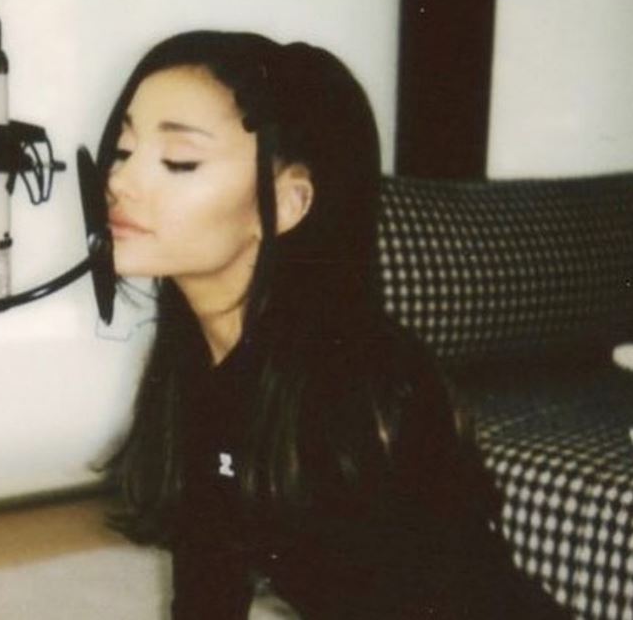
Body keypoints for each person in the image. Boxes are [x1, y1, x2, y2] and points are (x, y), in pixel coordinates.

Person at [96, 30, 568, 619]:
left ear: (289, 203)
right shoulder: (195, 360)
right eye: (124, 150)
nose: (119, 181)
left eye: (179, 161)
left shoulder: (356, 389)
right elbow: (207, 576)